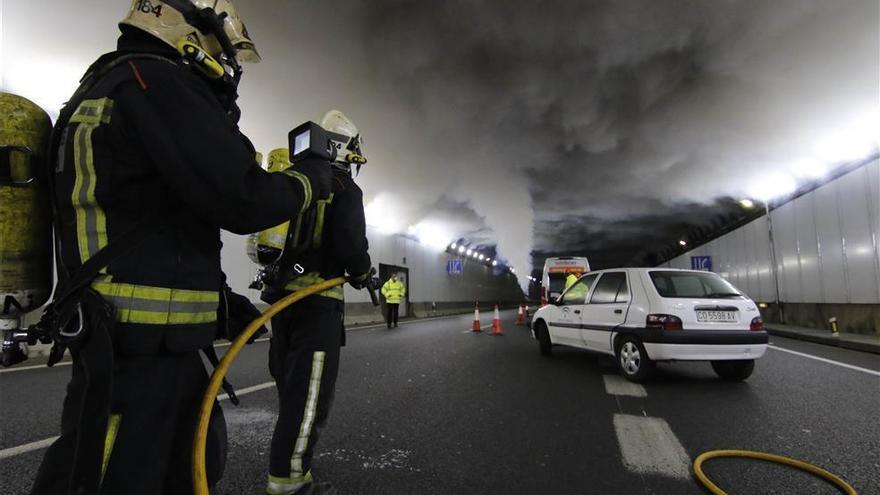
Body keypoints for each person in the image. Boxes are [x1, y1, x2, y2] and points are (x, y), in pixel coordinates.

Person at [31, 1, 332, 494]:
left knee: (183, 466)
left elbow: (159, 216)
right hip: (137, 348)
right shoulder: (157, 83)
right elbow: (242, 199)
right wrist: (312, 179)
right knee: (119, 476)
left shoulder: (120, 83)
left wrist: (216, 300)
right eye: (221, 47)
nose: (225, 63)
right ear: (191, 32)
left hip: (145, 343)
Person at [262, 110, 372, 495]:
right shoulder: (344, 187)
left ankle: (291, 461)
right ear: (347, 149)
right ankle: (289, 482)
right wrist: (362, 273)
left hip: (282, 303)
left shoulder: (295, 182)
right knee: (309, 396)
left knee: (290, 387)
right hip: (318, 304)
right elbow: (352, 248)